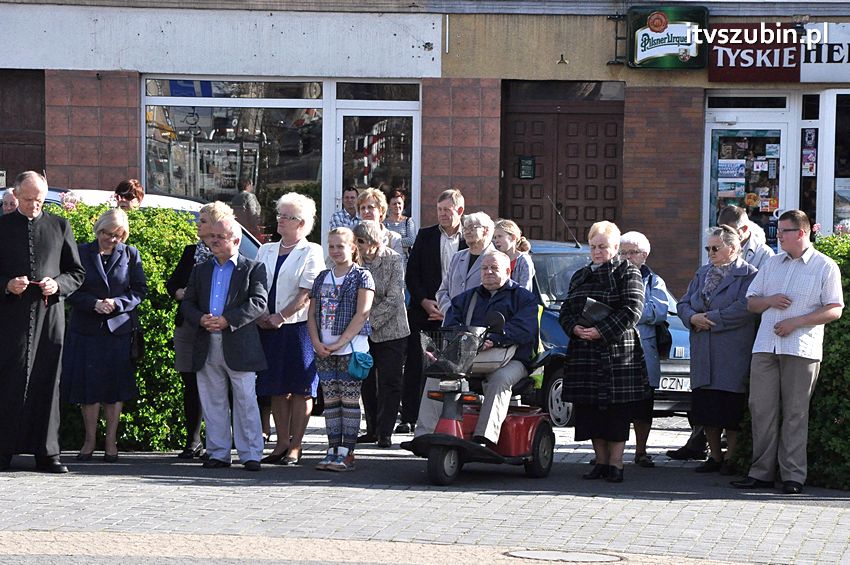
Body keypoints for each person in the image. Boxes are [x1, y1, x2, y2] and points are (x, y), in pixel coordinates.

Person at [733, 210, 844, 495]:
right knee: (761, 410)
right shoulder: (772, 264)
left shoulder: (825, 266)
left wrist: (797, 322)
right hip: (765, 347)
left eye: (784, 231)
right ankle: (761, 473)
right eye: (778, 230)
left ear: (802, 232)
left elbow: (835, 309)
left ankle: (793, 475)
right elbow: (751, 303)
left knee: (796, 413)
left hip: (801, 348)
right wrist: (769, 300)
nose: (778, 235)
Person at [0, 171, 85, 473]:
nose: (34, 206)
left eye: (39, 200)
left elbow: (76, 273)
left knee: (48, 381)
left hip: (49, 317)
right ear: (16, 195)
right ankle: (3, 449)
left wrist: (57, 285)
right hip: (11, 318)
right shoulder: (2, 226)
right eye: (27, 200)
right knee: (8, 380)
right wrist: (7, 285)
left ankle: (48, 453)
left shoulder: (60, 225)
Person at [415, 251, 539, 446]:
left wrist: (495, 340)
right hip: (471, 357)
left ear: (508, 271)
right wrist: (470, 340)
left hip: (512, 359)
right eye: (484, 268)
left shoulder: (523, 298)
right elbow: (451, 324)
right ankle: (424, 435)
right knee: (437, 373)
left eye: (494, 268)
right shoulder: (466, 298)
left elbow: (526, 330)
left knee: (499, 380)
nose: (488, 272)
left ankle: (484, 439)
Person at [558, 220, 649, 483]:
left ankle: (616, 463)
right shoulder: (580, 275)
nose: (597, 252)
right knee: (590, 411)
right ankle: (599, 461)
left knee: (616, 412)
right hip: (584, 351)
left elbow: (632, 311)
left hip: (617, 353)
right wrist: (573, 328)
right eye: (593, 246)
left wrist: (601, 330)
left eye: (603, 246)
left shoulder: (628, 272)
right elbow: (566, 310)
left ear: (616, 247)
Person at [181, 216, 268, 471]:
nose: (214, 241)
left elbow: (258, 303)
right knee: (212, 400)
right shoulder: (202, 269)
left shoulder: (253, 268)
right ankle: (218, 453)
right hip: (206, 341)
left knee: (244, 399)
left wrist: (227, 320)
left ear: (236, 240)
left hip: (239, 343)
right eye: (212, 237)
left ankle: (251, 454)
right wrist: (201, 319)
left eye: (220, 237)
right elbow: (188, 303)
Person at [61, 208, 148, 463]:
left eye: (118, 236)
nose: (112, 240)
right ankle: (89, 441)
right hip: (86, 329)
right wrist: (93, 303)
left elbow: (139, 290)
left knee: (114, 388)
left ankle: (111, 441)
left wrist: (118, 303)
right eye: (108, 234)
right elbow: (70, 288)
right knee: (88, 388)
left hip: (118, 331)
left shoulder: (131, 255)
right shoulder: (80, 251)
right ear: (99, 230)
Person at [677, 225, 757, 475]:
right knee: (707, 409)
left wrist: (709, 319)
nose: (710, 252)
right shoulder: (702, 273)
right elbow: (683, 303)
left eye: (715, 248)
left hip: (731, 352)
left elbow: (744, 308)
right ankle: (714, 456)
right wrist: (692, 318)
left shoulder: (749, 275)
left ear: (733, 248)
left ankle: (731, 457)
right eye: (707, 248)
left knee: (730, 408)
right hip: (703, 351)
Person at [255, 193, 324, 466]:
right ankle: (281, 442)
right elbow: (257, 284)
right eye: (280, 215)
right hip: (267, 325)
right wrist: (262, 314)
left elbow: (308, 291)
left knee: (300, 387)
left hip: (296, 329)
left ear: (302, 223)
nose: (280, 220)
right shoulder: (266, 249)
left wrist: (281, 316)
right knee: (276, 386)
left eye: (287, 216)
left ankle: (296, 445)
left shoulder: (312, 251)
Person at [165, 201, 233, 459]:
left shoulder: (227, 254)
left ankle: (219, 441)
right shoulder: (191, 251)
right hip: (189, 326)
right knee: (190, 383)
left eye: (203, 220)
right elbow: (172, 284)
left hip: (217, 327)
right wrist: (180, 292)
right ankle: (193, 440)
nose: (198, 225)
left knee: (220, 384)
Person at [400, 188, 467, 434]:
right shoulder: (425, 236)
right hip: (424, 311)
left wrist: (449, 310)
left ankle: (448, 417)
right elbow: (412, 274)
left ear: (459, 211)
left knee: (451, 367)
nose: (442, 215)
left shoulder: (467, 238)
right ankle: (409, 416)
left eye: (447, 210)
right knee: (418, 365)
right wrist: (425, 301)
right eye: (439, 210)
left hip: (456, 315)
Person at [308, 227, 375, 472]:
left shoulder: (362, 276)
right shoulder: (322, 277)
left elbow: (362, 314)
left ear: (353, 248)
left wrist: (339, 343)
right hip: (323, 348)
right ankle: (332, 449)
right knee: (331, 401)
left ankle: (348, 451)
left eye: (341, 246)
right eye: (332, 246)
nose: (336, 251)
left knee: (349, 401)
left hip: (351, 348)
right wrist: (316, 341)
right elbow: (312, 314)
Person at [353, 220, 409, 448]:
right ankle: (372, 429)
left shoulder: (394, 259)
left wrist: (369, 322)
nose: (356, 245)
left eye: (360, 241)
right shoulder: (355, 261)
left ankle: (385, 431)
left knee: (389, 381)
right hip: (361, 332)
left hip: (392, 330)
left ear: (374, 243)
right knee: (366, 382)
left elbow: (395, 297)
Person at [619, 231, 668, 468]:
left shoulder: (654, 280)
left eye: (633, 253)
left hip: (642, 349)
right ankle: (609, 452)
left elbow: (658, 311)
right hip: (616, 350)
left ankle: (641, 451)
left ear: (644, 255)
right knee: (615, 405)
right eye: (623, 252)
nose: (627, 257)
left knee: (643, 405)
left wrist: (626, 312)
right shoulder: (613, 276)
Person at [436, 211, 496, 315]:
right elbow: (442, 291)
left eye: (472, 228)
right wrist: (450, 311)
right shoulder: (457, 257)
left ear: (485, 231)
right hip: (453, 324)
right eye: (465, 228)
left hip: (480, 323)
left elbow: (498, 295)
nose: (467, 232)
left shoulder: (497, 259)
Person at [718, 205, 775, 270]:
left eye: (730, 231)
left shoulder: (764, 253)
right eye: (722, 231)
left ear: (744, 229)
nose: (725, 235)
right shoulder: (717, 248)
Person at [356, 187, 404, 257]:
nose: (366, 211)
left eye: (370, 207)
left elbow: (399, 265)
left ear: (381, 210)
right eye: (362, 208)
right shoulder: (352, 237)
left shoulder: (393, 239)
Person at [493, 219, 534, 292]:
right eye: (495, 237)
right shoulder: (496, 259)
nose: (496, 240)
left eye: (500, 236)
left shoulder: (523, 260)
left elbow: (525, 289)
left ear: (513, 237)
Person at [384, 189, 417, 262]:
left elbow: (411, 240)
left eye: (399, 203)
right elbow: (383, 242)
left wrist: (392, 242)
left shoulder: (408, 222)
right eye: (394, 204)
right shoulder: (384, 223)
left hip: (404, 261)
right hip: (388, 261)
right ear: (389, 205)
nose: (397, 206)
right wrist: (401, 242)